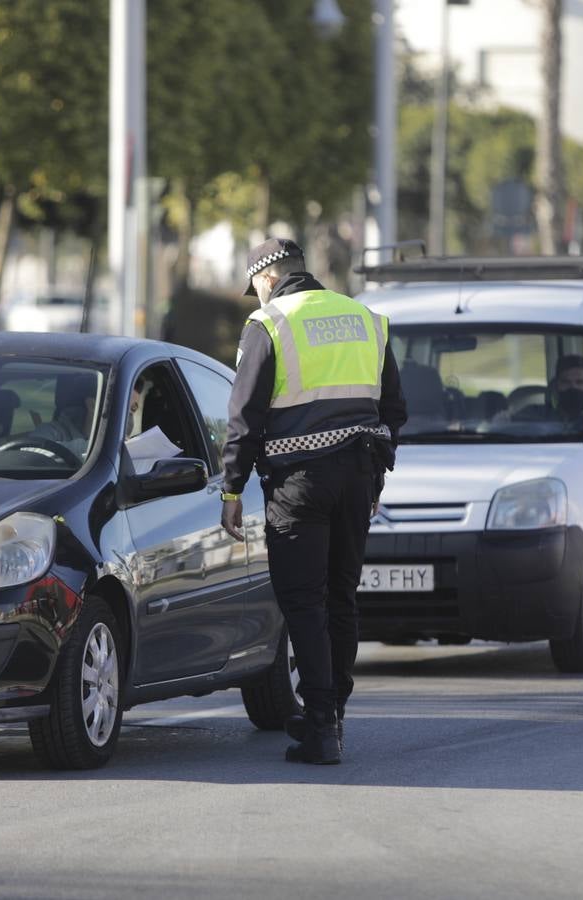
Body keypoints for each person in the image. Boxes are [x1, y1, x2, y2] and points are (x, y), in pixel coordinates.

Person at [221, 237, 407, 765]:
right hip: (356, 478)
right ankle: (334, 713)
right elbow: (395, 410)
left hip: (298, 483)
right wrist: (375, 479)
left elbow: (245, 418)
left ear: (268, 279)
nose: (257, 297)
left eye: (256, 287)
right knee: (341, 596)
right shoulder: (365, 319)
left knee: (304, 600)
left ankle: (322, 724)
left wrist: (231, 489)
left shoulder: (269, 325)